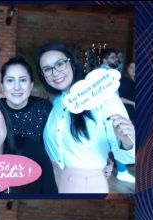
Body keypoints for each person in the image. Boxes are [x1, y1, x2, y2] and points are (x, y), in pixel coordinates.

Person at [37, 43, 135, 193]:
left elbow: (127, 156)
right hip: (53, 183)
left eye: (60, 64)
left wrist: (127, 141)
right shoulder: (56, 103)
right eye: (47, 69)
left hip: (87, 188)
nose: (55, 72)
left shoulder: (104, 97)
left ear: (71, 63)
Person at [0, 56, 53, 143]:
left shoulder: (45, 108)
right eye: (10, 80)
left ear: (31, 85)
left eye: (23, 80)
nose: (17, 87)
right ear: (2, 86)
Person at [116, 61, 136, 183]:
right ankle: (121, 170)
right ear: (127, 69)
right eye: (131, 68)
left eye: (136, 68)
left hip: (134, 115)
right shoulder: (124, 81)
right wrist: (133, 103)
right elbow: (119, 98)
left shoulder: (135, 82)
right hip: (126, 114)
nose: (134, 70)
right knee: (122, 141)